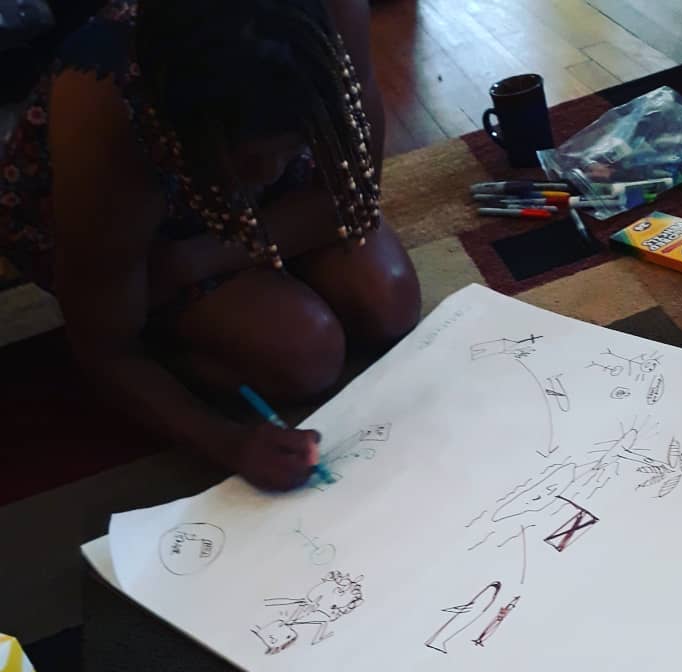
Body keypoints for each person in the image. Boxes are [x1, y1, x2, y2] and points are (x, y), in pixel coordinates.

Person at [0, 0, 420, 491]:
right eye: (253, 160)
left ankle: (233, 271)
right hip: (145, 228)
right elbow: (106, 349)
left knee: (388, 299)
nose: (274, 171)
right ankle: (190, 331)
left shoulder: (331, 19)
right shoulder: (111, 105)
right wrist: (228, 442)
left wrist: (195, 261)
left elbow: (352, 198)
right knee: (306, 352)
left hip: (182, 253)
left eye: (295, 145)